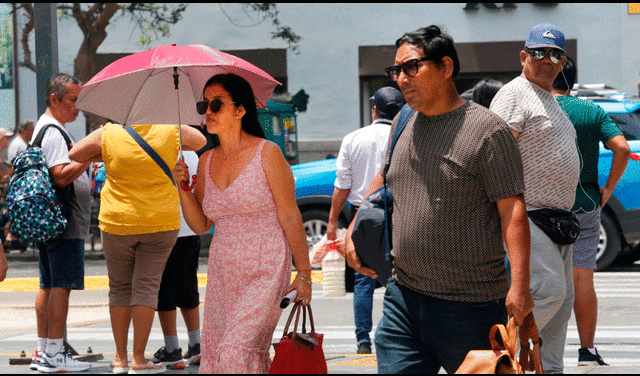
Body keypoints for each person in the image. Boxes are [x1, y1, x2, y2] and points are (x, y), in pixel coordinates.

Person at [344, 25, 534, 374]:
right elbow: (381, 178)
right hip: (403, 299)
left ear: (446, 67)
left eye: (412, 67)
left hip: (471, 306)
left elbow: (513, 211)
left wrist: (520, 287)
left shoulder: (487, 131)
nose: (401, 78)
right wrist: (353, 228)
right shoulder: (402, 120)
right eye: (396, 70)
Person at [172, 73, 312, 374]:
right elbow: (200, 225)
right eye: (204, 104)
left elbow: (290, 217)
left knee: (237, 350)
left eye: (217, 104)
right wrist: (182, 188)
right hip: (224, 272)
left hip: (265, 268)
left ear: (240, 110)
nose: (208, 111)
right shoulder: (207, 160)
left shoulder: (268, 154)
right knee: (220, 356)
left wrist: (304, 275)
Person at [69, 122, 206, 374]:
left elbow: (74, 154)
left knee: (119, 288)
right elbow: (199, 140)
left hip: (117, 221)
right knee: (147, 288)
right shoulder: (170, 130)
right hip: (160, 220)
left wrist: (105, 152)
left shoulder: (109, 133)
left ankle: (120, 359)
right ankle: (138, 359)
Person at [490, 23, 580, 374]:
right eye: (539, 52)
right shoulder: (516, 93)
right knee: (549, 293)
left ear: (562, 61)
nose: (546, 59)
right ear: (524, 56)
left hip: (558, 218)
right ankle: (499, 355)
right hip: (527, 215)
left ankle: (550, 369)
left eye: (554, 54)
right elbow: (495, 155)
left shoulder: (550, 98)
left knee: (563, 304)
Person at [551, 56, 630, 366]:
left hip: (542, 209)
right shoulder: (592, 111)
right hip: (585, 205)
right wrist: (607, 189)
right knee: (583, 279)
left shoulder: (534, 108)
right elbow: (622, 148)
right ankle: (587, 350)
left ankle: (537, 348)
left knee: (540, 280)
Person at [326, 86, 404, 355]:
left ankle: (363, 340)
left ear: (374, 110)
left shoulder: (353, 138)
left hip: (363, 215)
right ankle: (395, 337)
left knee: (363, 278)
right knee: (399, 277)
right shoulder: (404, 135)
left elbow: (342, 186)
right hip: (399, 213)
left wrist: (332, 221)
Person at [28, 73, 93, 373]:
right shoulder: (54, 132)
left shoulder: (46, 128)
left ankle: (44, 351)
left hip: (51, 220)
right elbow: (61, 175)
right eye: (72, 100)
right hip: (63, 220)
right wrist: (90, 155)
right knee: (61, 286)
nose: (77, 107)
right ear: (54, 100)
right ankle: (55, 353)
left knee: (49, 284)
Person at [151, 150, 202, 369]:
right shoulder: (191, 153)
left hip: (162, 228)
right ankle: (196, 344)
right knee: (189, 287)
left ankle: (172, 350)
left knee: (165, 291)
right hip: (190, 229)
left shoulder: (154, 148)